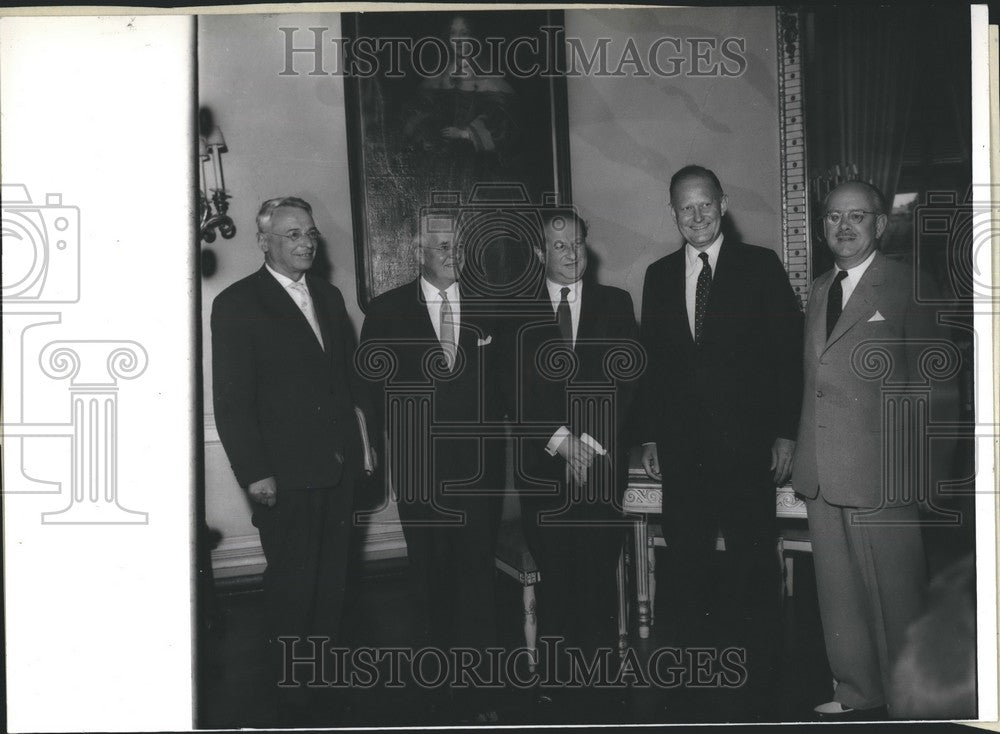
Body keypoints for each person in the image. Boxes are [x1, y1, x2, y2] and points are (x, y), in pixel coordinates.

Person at [638, 165, 803, 711]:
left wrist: (784, 432)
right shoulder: (659, 276)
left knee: (754, 562)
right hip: (684, 455)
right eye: (686, 207)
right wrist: (651, 438)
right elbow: (653, 368)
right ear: (673, 213)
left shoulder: (760, 266)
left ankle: (763, 679)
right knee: (685, 563)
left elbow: (785, 354)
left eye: (706, 204)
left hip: (746, 449)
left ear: (723, 203)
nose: (698, 215)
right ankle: (687, 677)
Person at [792, 180, 959, 719]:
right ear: (822, 226)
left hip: (885, 475)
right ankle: (857, 688)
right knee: (838, 594)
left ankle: (913, 700)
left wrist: (926, 477)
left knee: (898, 597)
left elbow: (940, 392)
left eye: (857, 217)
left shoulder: (910, 285)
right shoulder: (819, 287)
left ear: (881, 224)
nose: (843, 227)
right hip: (822, 469)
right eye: (833, 217)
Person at [211, 196, 374, 720]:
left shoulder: (327, 295)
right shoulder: (238, 302)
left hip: (337, 466)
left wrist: (364, 447)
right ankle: (290, 689)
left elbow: (346, 385)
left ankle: (322, 676)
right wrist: (256, 473)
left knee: (331, 579)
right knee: (291, 582)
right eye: (291, 235)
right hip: (283, 474)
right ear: (264, 242)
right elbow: (232, 401)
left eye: (309, 233)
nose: (305, 243)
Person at [358, 214, 505, 722]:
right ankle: (437, 691)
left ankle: (483, 691)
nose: (450, 253)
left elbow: (509, 387)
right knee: (430, 578)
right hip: (421, 471)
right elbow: (369, 394)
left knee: (477, 579)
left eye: (457, 244)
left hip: (481, 472)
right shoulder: (387, 311)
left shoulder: (490, 306)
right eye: (440, 244)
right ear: (418, 249)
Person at [512, 209, 639, 692]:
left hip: (601, 464)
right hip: (542, 470)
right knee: (558, 579)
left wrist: (587, 443)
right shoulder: (517, 311)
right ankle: (558, 686)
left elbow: (627, 383)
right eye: (560, 246)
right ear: (541, 253)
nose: (571, 254)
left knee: (599, 578)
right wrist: (561, 441)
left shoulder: (616, 302)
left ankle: (604, 689)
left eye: (579, 244)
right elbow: (510, 389)